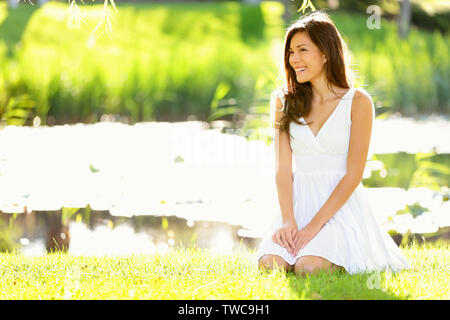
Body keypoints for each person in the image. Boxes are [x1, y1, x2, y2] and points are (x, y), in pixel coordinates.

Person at [256, 10, 410, 276]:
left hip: (338, 207)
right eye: (291, 52)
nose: (294, 59)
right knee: (271, 264)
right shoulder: (283, 101)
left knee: (308, 267)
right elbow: (282, 168)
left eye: (303, 50)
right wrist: (289, 220)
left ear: (326, 54)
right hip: (296, 203)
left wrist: (314, 227)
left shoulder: (358, 102)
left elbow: (354, 174)